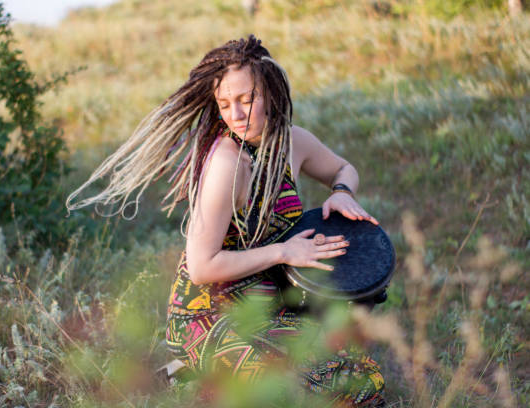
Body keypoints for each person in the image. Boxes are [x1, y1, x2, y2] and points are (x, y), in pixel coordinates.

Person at [67, 35, 385, 406]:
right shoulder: (226, 164)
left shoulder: (292, 142)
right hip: (206, 316)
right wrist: (284, 251)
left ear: (270, 93)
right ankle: (194, 374)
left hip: (268, 309)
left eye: (246, 99)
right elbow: (202, 267)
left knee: (364, 381)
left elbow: (343, 168)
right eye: (224, 104)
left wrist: (343, 191)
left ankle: (201, 378)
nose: (235, 114)